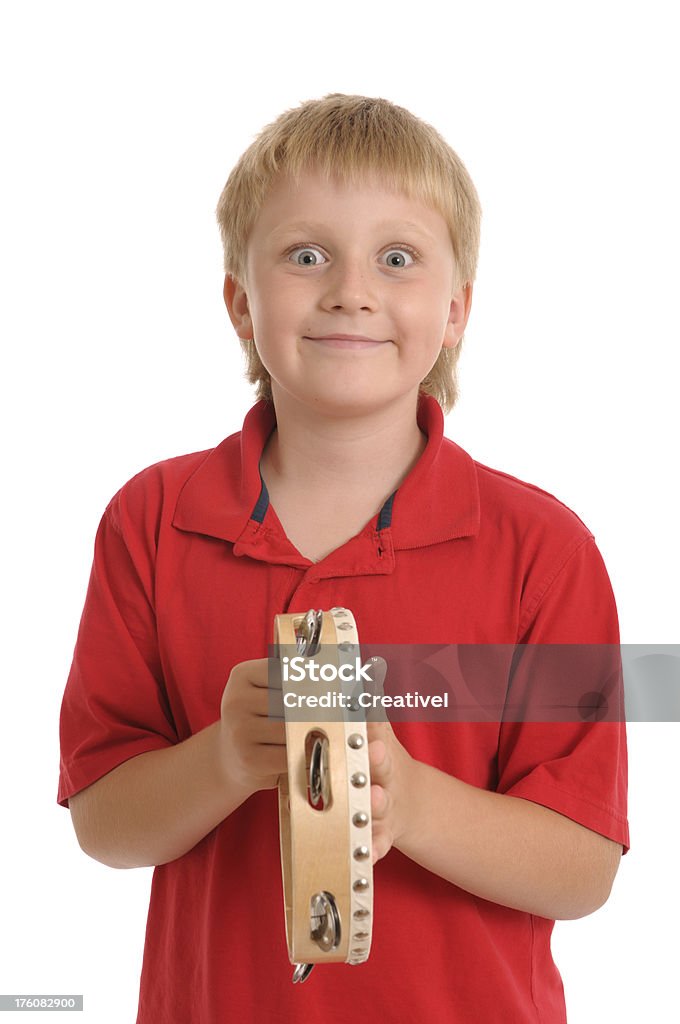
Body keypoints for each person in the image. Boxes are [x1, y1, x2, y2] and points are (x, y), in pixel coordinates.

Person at [58, 94, 629, 1023]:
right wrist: (226, 759)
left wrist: (410, 805)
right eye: (306, 254)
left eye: (396, 258)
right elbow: (102, 825)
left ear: (455, 311)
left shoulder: (543, 550)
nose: (350, 290)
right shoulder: (151, 522)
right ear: (242, 302)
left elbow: (584, 867)